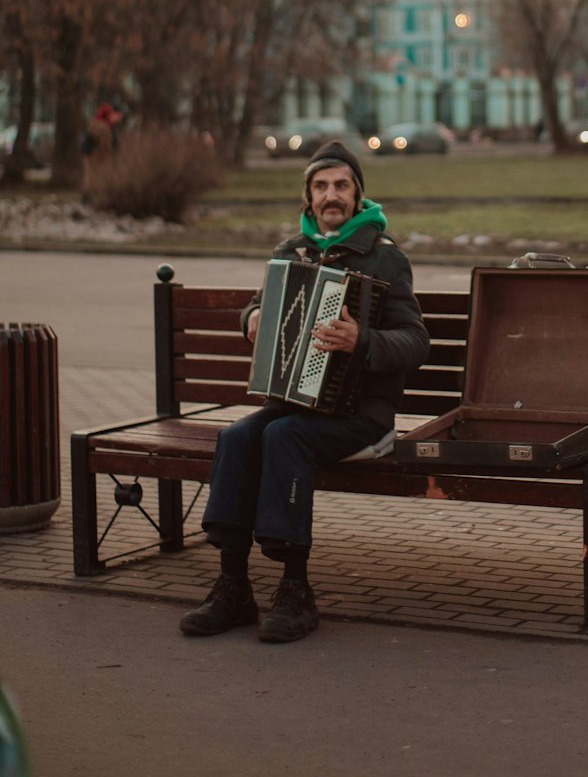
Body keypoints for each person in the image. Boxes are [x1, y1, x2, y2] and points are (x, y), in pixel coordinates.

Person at [180, 139, 429, 644]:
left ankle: (296, 589)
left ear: (358, 196)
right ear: (308, 198)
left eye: (341, 185)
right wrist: (252, 319)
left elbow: (416, 341)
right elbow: (255, 305)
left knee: (284, 438)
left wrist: (364, 340)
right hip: (293, 401)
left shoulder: (384, 258)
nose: (330, 195)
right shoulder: (290, 253)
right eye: (321, 186)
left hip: (364, 414)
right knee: (237, 438)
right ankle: (234, 586)